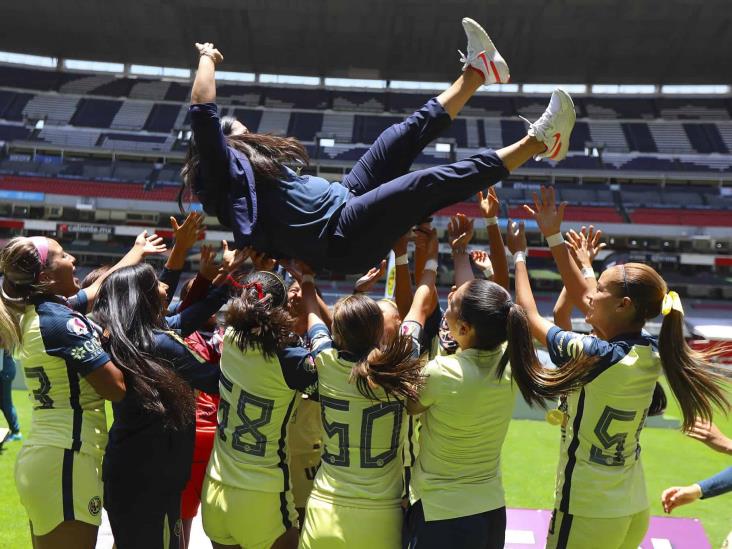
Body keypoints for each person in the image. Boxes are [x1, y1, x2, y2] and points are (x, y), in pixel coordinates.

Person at [181, 18, 576, 274]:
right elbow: (203, 112)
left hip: (344, 199)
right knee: (425, 185)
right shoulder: (220, 172)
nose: (249, 129)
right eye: (241, 129)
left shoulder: (247, 172)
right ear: (227, 143)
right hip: (340, 236)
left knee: (398, 139)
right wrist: (206, 58)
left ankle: (478, 71)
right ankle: (540, 141)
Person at [510, 187, 730, 549]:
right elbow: (589, 300)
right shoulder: (652, 352)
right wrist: (566, 250)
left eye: (599, 290)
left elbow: (529, 315)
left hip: (587, 509)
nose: (590, 295)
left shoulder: (598, 354)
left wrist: (519, 254)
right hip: (631, 506)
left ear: (624, 305)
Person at [0, 234, 162, 549]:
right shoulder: (60, 322)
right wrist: (111, 342)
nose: (73, 259)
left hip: (53, 456)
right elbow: (115, 388)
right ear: (46, 277)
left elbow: (98, 288)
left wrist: (137, 251)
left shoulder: (44, 310)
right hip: (67, 459)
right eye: (63, 255)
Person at [298, 232, 437, 549]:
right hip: (380, 515)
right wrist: (425, 256)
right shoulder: (402, 362)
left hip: (324, 509)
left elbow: (311, 313)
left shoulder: (326, 362)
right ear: (381, 330)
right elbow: (421, 303)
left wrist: (306, 276)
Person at [93, 263, 231, 549]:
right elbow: (216, 381)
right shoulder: (162, 343)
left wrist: (229, 279)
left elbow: (191, 317)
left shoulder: (125, 339)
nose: (165, 288)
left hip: (127, 470)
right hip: (155, 478)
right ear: (143, 297)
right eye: (156, 283)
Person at [403, 277, 545, 549]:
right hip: (491, 511)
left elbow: (409, 405)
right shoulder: (512, 364)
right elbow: (487, 310)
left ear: (465, 328)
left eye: (451, 305)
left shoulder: (441, 372)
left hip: (441, 514)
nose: (446, 307)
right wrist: (461, 255)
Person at [201, 270, 322, 549]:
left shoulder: (230, 337)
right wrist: (309, 301)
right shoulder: (291, 361)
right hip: (262, 493)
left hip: (216, 486)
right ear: (279, 311)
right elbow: (329, 360)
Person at [0, 349, 21, 441]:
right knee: (4, 403)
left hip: (5, 372)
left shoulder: (4, 337)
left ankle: (16, 432)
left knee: (5, 403)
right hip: (6, 370)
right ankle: (15, 431)